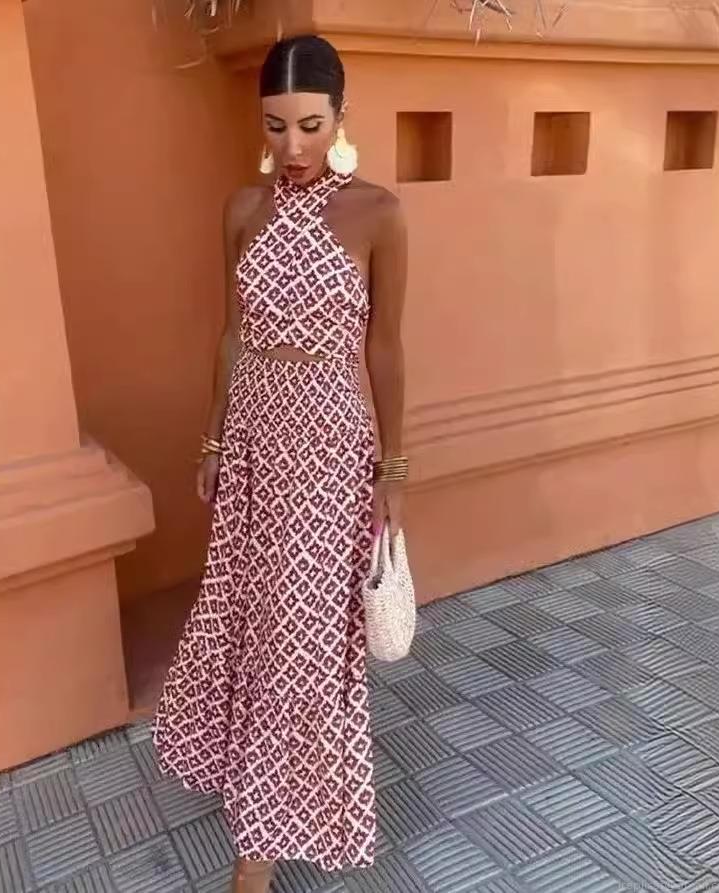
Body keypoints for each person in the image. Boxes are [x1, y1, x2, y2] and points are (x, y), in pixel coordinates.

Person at [152, 34, 408, 893]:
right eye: (274, 126)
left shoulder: (377, 213)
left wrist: (394, 472)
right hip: (255, 440)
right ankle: (260, 795)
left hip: (330, 446)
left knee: (302, 639)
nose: (292, 147)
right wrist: (212, 440)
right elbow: (231, 336)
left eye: (309, 125)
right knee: (249, 619)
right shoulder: (241, 209)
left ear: (340, 116)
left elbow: (385, 348)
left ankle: (256, 852)